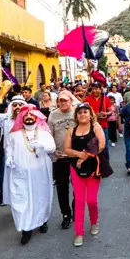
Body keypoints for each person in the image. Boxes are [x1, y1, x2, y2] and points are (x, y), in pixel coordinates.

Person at [5, 105, 55, 245]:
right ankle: (26, 229)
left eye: (31, 115)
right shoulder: (14, 134)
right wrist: (8, 158)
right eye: (25, 116)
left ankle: (42, 220)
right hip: (20, 173)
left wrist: (42, 145)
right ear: (21, 118)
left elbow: (52, 147)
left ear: (36, 117)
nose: (28, 117)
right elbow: (9, 148)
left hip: (40, 172)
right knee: (21, 199)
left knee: (40, 197)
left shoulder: (44, 132)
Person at [64, 103, 105, 247]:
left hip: (94, 168)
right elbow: (67, 149)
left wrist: (86, 156)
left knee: (91, 200)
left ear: (90, 114)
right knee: (80, 201)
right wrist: (78, 154)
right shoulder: (71, 129)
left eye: (85, 112)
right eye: (80, 112)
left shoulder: (96, 127)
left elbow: (101, 145)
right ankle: (79, 233)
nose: (82, 114)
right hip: (76, 169)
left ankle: (94, 222)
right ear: (76, 115)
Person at [47, 91, 75, 229]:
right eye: (60, 101)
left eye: (66, 100)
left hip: (75, 157)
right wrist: (53, 151)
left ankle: (77, 208)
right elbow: (49, 135)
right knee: (62, 188)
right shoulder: (53, 115)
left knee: (78, 187)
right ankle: (66, 214)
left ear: (71, 100)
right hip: (60, 157)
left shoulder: (78, 112)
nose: (63, 103)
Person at [84, 82, 112, 158]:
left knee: (104, 146)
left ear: (100, 89)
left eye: (96, 88)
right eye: (93, 89)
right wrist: (95, 115)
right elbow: (84, 114)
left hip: (103, 126)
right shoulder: (87, 99)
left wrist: (106, 113)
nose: (94, 90)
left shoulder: (106, 99)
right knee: (92, 147)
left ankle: (106, 164)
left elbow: (110, 111)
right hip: (91, 127)